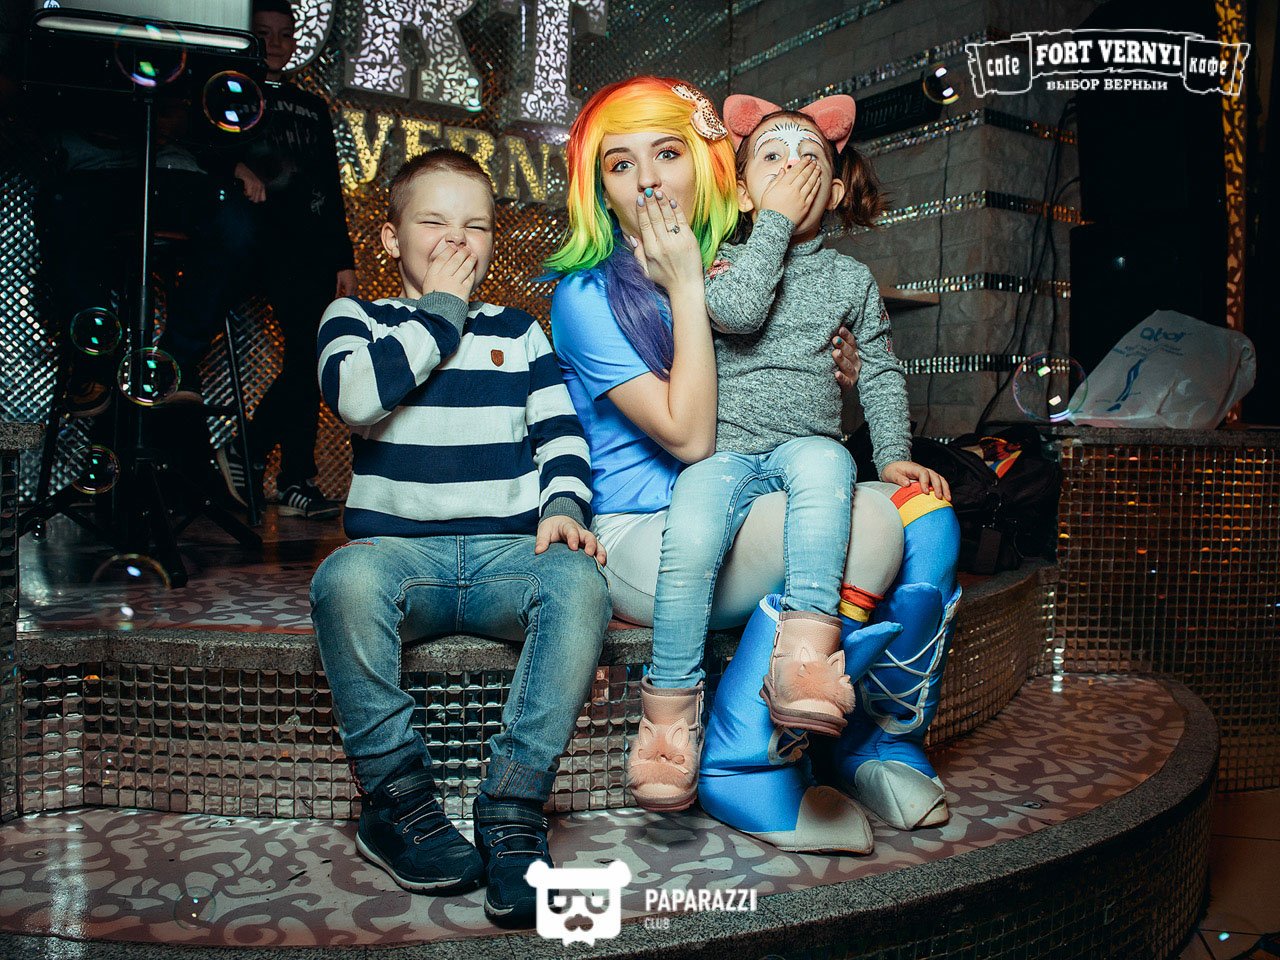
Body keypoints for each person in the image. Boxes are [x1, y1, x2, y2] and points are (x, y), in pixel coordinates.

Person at [547, 76, 961, 849]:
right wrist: (688, 280)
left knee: (924, 518)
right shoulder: (591, 295)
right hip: (650, 531)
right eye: (620, 163)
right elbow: (694, 439)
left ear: (708, 168)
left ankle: (869, 741)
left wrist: (848, 384)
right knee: (871, 527)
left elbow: (802, 373)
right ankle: (742, 759)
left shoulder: (735, 258)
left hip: (746, 498)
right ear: (598, 187)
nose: (648, 179)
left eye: (668, 153)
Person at [308, 149, 609, 928]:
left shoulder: (519, 331)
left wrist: (565, 504)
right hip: (400, 561)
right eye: (434, 222)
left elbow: (560, 436)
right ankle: (397, 800)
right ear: (390, 239)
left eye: (475, 225)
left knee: (580, 583)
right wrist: (440, 310)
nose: (456, 240)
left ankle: (512, 804)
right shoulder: (355, 320)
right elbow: (358, 400)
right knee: (343, 581)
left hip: (507, 556)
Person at [214, 0, 357, 520]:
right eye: (263, 33)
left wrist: (344, 259)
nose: (274, 44)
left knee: (312, 357)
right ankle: (254, 458)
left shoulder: (311, 107)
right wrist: (235, 167)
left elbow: (329, 188)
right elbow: (197, 145)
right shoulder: (228, 91)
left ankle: (289, 474)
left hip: (309, 248)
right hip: (257, 240)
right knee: (305, 358)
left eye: (284, 34)